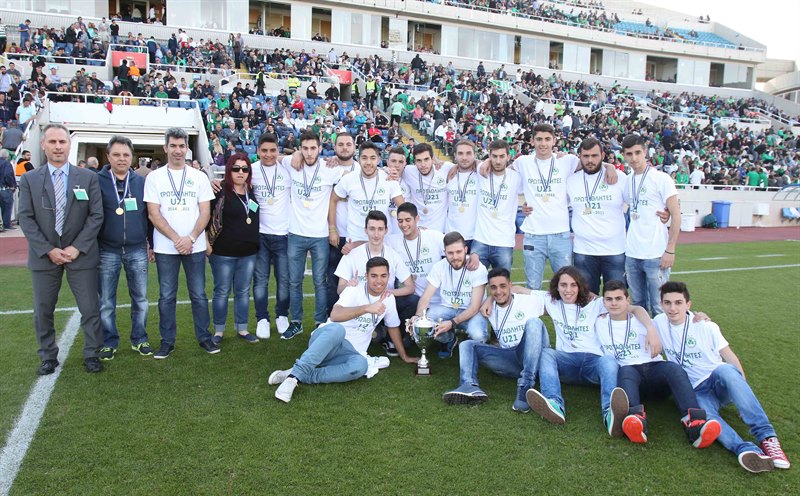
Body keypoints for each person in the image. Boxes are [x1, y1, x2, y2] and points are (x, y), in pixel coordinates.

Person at [496, 267, 658, 435]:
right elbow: (517, 290)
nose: (568, 290)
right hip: (567, 363)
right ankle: (554, 404)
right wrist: (488, 301)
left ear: (580, 286)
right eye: (563, 285)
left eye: (573, 285)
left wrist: (650, 329)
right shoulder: (551, 300)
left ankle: (609, 414)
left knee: (609, 360)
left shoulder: (596, 303)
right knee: (546, 354)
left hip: (593, 364)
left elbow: (634, 309)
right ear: (556, 287)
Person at [655, 281, 790, 472]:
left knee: (726, 370)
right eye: (667, 303)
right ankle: (745, 450)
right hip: (695, 390)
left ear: (688, 305)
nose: (672, 308)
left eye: (678, 302)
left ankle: (768, 438)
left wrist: (739, 390)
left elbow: (729, 356)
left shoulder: (705, 326)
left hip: (718, 381)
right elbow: (634, 312)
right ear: (661, 304)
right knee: (705, 418)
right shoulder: (658, 322)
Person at [268, 257, 418, 403]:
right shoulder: (353, 291)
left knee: (360, 366)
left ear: (388, 276)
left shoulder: (388, 299)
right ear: (366, 276)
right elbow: (335, 314)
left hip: (350, 352)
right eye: (374, 276)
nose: (379, 281)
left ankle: (299, 374)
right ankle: (292, 380)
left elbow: (392, 327)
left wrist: (404, 355)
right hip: (326, 342)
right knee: (337, 330)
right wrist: (366, 308)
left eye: (383, 276)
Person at [18, 123, 105, 374]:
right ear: (43, 145)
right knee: (43, 310)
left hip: (80, 255)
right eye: (52, 142)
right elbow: (26, 218)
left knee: (90, 308)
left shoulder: (87, 178)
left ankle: (92, 353)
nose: (58, 146)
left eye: (62, 142)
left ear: (69, 145)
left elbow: (96, 216)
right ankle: (47, 356)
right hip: (45, 257)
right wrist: (48, 250)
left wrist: (77, 247)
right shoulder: (30, 179)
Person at [597, 280, 721, 449]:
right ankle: (636, 421)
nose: (613, 303)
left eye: (619, 298)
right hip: (630, 374)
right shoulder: (598, 322)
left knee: (673, 368)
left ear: (628, 300)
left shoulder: (646, 320)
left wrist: (700, 316)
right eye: (609, 299)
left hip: (655, 369)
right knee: (625, 372)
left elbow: (678, 318)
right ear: (603, 302)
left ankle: (694, 423)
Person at [513, 123, 617, 289]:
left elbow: (591, 163)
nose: (543, 143)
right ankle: (534, 316)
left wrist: (609, 166)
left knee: (566, 286)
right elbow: (501, 173)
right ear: (532, 141)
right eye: (539, 139)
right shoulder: (522, 162)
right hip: (533, 234)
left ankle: (563, 316)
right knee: (533, 286)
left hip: (560, 235)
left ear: (554, 140)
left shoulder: (567, 161)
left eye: (547, 139)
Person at [144, 127, 218, 358]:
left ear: (187, 148)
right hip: (167, 247)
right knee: (167, 296)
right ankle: (167, 341)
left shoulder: (199, 177)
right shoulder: (154, 178)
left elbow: (205, 212)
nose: (178, 150)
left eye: (182, 146)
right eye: (173, 146)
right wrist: (178, 239)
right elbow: (153, 214)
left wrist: (192, 238)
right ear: (165, 148)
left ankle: (204, 337)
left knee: (198, 293)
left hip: (194, 245)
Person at [443, 268, 549, 412]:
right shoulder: (488, 308)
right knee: (467, 345)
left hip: (534, 358)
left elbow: (558, 302)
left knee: (534, 323)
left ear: (510, 285)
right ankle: (468, 385)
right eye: (493, 288)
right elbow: (477, 311)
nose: (498, 291)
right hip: (510, 359)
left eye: (503, 286)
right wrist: (489, 299)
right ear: (489, 289)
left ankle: (525, 386)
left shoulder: (529, 301)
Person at [96, 136, 153, 361]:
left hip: (137, 249)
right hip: (107, 249)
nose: (122, 159)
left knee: (140, 298)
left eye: (126, 155)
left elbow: (149, 216)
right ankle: (109, 341)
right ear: (108, 156)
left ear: (133, 158)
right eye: (117, 154)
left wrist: (151, 244)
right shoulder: (97, 181)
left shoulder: (140, 182)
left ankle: (139, 338)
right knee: (106, 301)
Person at [283, 131, 343, 338]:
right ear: (301, 148)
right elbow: (276, 157)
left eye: (313, 148)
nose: (309, 153)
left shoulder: (330, 168)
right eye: (305, 148)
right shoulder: (291, 163)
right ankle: (296, 322)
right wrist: (294, 155)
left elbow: (356, 169)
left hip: (320, 235)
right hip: (296, 234)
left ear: (319, 148)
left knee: (320, 281)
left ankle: (319, 322)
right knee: (294, 281)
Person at [621, 134, 680, 315]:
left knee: (659, 306)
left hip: (656, 253)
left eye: (638, 153)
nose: (634, 158)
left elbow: (677, 214)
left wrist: (670, 249)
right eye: (629, 154)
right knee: (638, 304)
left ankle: (662, 344)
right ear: (624, 155)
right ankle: (642, 342)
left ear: (645, 152)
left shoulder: (661, 179)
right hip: (632, 253)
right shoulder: (627, 181)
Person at [206, 153, 260, 345]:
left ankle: (242, 328)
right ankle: (219, 331)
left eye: (244, 169)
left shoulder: (251, 191)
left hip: (248, 253)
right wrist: (207, 243)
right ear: (229, 170)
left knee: (243, 292)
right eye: (236, 168)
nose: (240, 172)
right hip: (222, 253)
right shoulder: (218, 190)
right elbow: (205, 216)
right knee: (221, 291)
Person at [412, 231, 488, 358]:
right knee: (428, 320)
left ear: (465, 249)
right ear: (444, 252)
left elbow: (475, 307)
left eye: (458, 252)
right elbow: (425, 298)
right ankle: (449, 339)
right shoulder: (439, 267)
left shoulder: (478, 268)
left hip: (472, 311)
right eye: (450, 253)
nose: (455, 257)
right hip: (448, 309)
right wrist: (417, 317)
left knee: (478, 335)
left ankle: (469, 341)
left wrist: (452, 323)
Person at [566, 137, 627, 294]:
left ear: (603, 155)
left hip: (614, 250)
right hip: (584, 251)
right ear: (579, 156)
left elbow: (638, 203)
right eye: (585, 156)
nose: (590, 160)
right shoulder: (571, 180)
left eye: (594, 156)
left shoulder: (620, 178)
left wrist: (666, 211)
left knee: (616, 298)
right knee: (586, 298)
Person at [251, 134, 292, 339]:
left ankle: (282, 315)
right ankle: (262, 318)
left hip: (284, 234)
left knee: (284, 279)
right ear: (258, 150)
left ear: (278, 150)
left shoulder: (287, 168)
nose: (268, 155)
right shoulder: (250, 169)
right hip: (260, 235)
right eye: (264, 150)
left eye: (273, 150)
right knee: (260, 280)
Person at [471, 139, 522, 271]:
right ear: (489, 156)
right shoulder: (481, 171)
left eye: (502, 156)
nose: (498, 161)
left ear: (508, 156)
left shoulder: (516, 177)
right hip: (480, 240)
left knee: (502, 285)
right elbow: (470, 161)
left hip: (504, 242)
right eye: (494, 156)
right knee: (474, 284)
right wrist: (484, 162)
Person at [402, 143, 451, 232]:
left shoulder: (445, 168)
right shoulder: (409, 171)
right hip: (418, 230)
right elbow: (391, 169)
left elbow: (467, 165)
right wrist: (386, 169)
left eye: (426, 159)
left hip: (440, 231)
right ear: (414, 161)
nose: (423, 164)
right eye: (419, 160)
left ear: (432, 159)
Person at [444, 140, 479, 247]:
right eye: (460, 153)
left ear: (475, 155)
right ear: (455, 156)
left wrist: (478, 162)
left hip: (475, 237)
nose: (464, 157)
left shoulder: (482, 174)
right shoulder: (447, 172)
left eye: (468, 153)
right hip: (451, 234)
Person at [0, 149, 16, 231]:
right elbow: (8, 175)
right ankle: (7, 224)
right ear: (7, 156)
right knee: (7, 207)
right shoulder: (7, 164)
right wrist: (12, 185)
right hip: (5, 189)